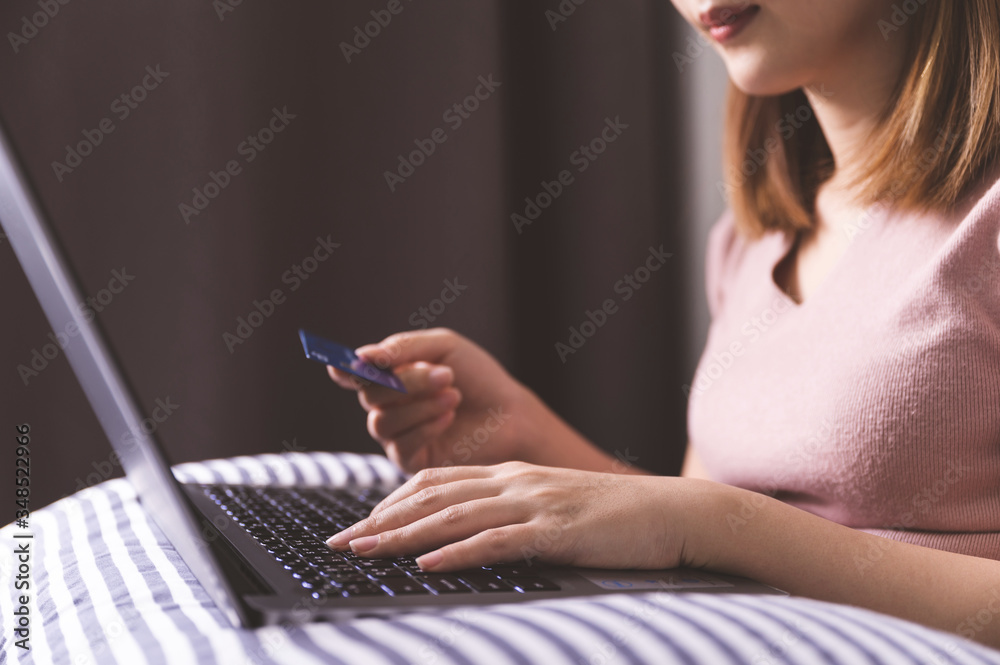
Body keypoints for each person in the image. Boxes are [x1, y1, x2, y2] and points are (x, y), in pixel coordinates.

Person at [325, 0, 1000, 647]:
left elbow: (714, 526)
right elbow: (702, 527)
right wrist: (523, 434)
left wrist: (708, 522)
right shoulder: (749, 244)